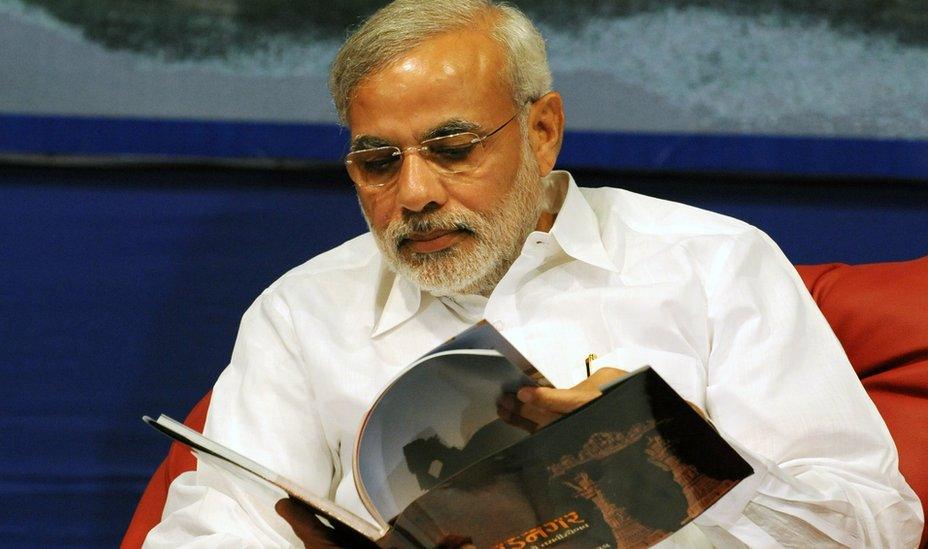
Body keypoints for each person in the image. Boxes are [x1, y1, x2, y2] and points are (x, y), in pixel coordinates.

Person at [144, 0, 923, 546]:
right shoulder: (302, 311)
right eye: (377, 162)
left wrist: (672, 454)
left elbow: (872, 523)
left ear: (542, 130)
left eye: (452, 149)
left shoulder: (713, 262)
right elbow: (209, 530)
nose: (412, 194)